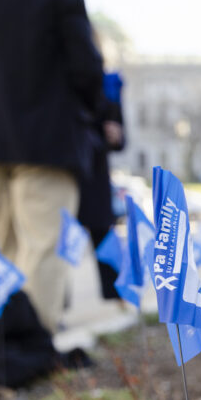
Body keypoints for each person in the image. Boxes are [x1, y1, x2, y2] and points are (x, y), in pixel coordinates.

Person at [0, 0, 105, 333]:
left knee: (4, 247)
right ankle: (30, 352)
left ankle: (4, 352)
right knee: (44, 247)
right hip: (46, 137)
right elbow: (85, 64)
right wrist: (95, 110)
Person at [78, 68, 125, 301]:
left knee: (103, 233)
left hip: (95, 170)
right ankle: (54, 305)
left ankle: (115, 293)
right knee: (56, 240)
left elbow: (120, 134)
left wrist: (117, 135)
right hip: (66, 166)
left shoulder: (109, 86)